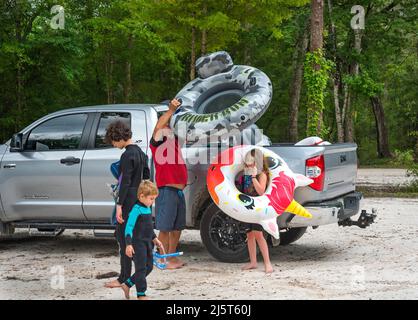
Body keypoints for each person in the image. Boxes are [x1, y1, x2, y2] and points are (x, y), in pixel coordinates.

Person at [104, 120, 150, 288]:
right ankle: (136, 275)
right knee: (136, 238)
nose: (114, 145)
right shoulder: (141, 153)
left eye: (114, 141)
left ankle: (123, 278)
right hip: (140, 200)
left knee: (124, 239)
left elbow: (125, 182)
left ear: (119, 137)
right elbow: (147, 176)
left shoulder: (126, 155)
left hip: (128, 201)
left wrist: (119, 205)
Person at [150, 98, 188, 269]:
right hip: (166, 190)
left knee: (177, 227)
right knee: (165, 227)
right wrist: (171, 110)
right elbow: (158, 127)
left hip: (178, 190)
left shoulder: (172, 140)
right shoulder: (157, 138)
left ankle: (171, 257)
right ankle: (161, 259)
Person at [120, 180, 164, 300]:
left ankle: (127, 284)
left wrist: (155, 239)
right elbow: (128, 228)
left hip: (147, 243)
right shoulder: (136, 210)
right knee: (141, 268)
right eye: (151, 198)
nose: (153, 202)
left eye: (154, 199)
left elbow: (148, 228)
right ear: (141, 196)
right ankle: (141, 294)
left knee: (149, 267)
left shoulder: (147, 208)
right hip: (137, 244)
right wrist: (128, 245)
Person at [237, 149, 274, 274]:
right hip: (248, 208)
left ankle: (267, 263)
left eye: (252, 163)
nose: (249, 165)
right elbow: (245, 190)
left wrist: (253, 177)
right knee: (249, 234)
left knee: (258, 235)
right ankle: (253, 262)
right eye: (247, 163)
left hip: (258, 208)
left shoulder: (262, 174)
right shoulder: (246, 175)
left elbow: (261, 191)